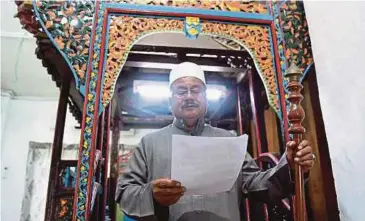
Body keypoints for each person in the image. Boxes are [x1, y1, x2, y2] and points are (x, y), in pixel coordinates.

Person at [115, 62, 315, 221]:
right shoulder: (149, 143)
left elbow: (256, 184)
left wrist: (288, 167)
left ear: (205, 98)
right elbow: (125, 194)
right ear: (170, 100)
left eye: (196, 90)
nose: (189, 97)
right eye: (181, 91)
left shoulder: (227, 140)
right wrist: (152, 195)